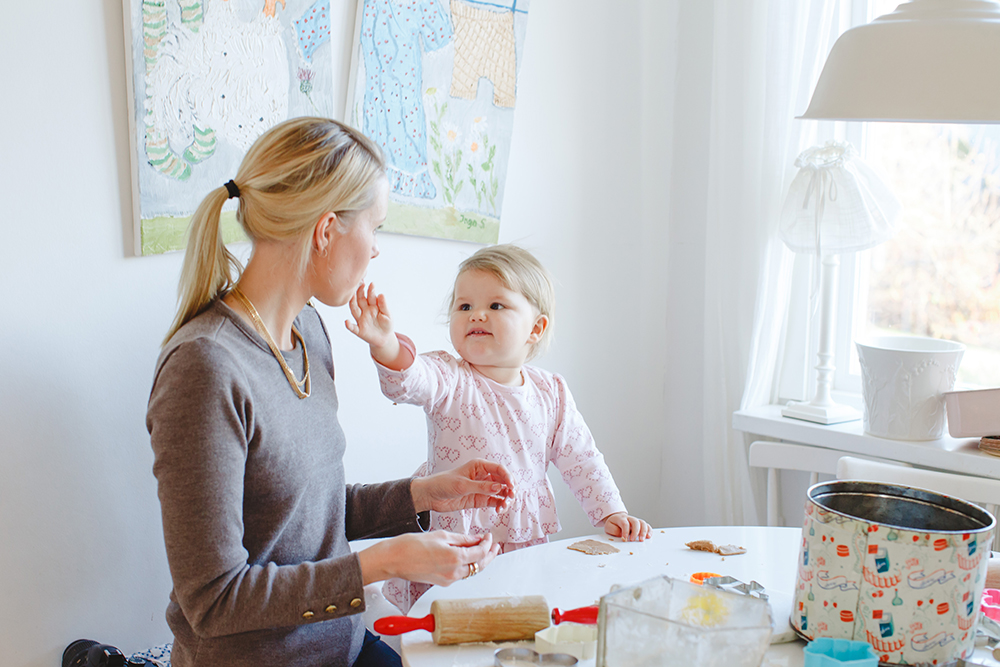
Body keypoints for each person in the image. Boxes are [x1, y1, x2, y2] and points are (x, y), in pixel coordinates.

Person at [145, 117, 515, 667]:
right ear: (326, 231)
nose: (376, 251)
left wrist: (426, 495)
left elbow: (307, 516)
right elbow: (214, 599)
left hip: (338, 645)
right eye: (376, 229)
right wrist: (385, 563)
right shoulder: (204, 368)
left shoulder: (309, 332)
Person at [346, 244, 651, 611]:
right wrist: (386, 343)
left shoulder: (550, 391)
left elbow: (581, 457)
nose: (476, 315)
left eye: (495, 306)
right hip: (459, 533)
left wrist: (610, 512)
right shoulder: (450, 376)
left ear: (535, 328)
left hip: (524, 532)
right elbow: (408, 381)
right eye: (464, 306)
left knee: (513, 611)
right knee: (449, 616)